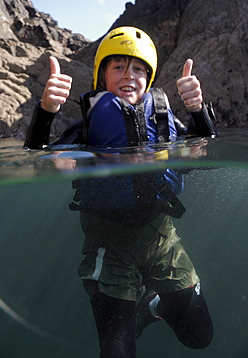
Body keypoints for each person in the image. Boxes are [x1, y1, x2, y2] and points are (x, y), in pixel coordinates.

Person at [24, 27, 216, 357]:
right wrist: (46, 111)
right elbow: (39, 155)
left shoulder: (162, 117)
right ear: (102, 76)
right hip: (108, 246)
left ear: (149, 77)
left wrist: (197, 110)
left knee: (200, 336)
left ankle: (152, 305)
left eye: (138, 69)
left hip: (161, 239)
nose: (130, 76)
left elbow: (205, 150)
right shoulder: (88, 125)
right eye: (119, 67)